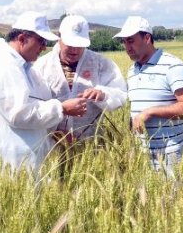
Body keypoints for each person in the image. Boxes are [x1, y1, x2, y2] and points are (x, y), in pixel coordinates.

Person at [0, 11, 87, 174]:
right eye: (41, 41)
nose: (44, 47)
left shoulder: (26, 69)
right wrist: (62, 109)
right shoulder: (4, 66)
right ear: (22, 39)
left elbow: (39, 105)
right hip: (11, 164)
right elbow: (18, 113)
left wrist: (54, 132)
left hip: (29, 163)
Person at [113, 16, 183, 177]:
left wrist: (150, 112)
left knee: (174, 201)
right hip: (142, 155)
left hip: (171, 155)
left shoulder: (173, 66)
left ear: (147, 38)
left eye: (130, 40)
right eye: (123, 42)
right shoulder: (133, 70)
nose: (127, 47)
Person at [34, 14, 127, 142]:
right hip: (51, 144)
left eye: (79, 45)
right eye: (70, 44)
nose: (75, 50)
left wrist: (103, 94)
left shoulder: (100, 63)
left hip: (91, 145)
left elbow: (121, 94)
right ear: (59, 38)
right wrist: (54, 131)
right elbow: (35, 106)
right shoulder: (42, 65)